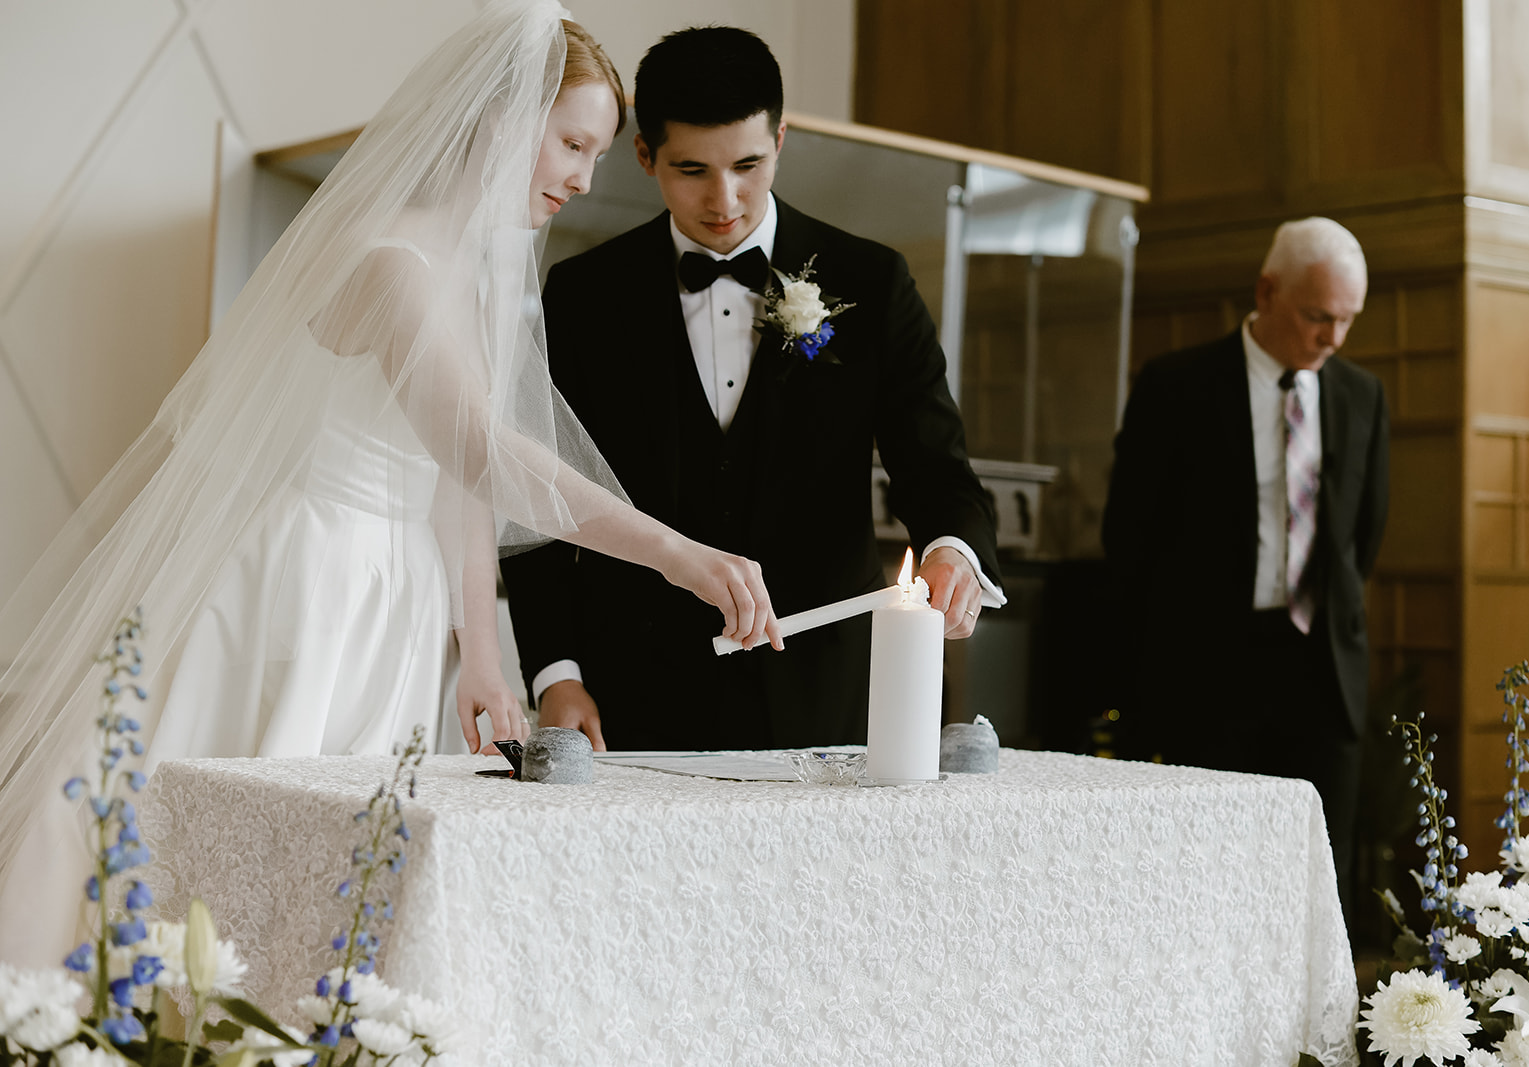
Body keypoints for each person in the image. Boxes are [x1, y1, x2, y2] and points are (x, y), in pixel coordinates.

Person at [0, 2, 782, 967]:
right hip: (316, 579)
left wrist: (482, 651)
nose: (584, 178)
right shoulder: (390, 261)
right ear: (501, 123)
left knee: (343, 870)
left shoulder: (477, 268)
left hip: (395, 588)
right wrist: (674, 552)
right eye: (572, 144)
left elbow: (453, 487)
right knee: (243, 850)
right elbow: (480, 450)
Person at [501, 26, 1005, 753]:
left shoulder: (873, 283)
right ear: (644, 154)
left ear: (782, 138)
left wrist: (953, 548)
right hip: (628, 701)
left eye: (748, 163)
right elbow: (537, 498)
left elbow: (936, 466)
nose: (725, 198)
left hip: (825, 698)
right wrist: (556, 673)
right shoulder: (583, 295)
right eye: (691, 169)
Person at [1101, 216, 1389, 906]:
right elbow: (1128, 534)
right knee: (1207, 874)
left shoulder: (1360, 393)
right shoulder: (1177, 386)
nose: (1334, 338)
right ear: (1266, 290)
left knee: (1319, 878)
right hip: (1209, 668)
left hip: (1321, 668)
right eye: (1319, 316)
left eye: (1348, 319)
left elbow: (1365, 532)